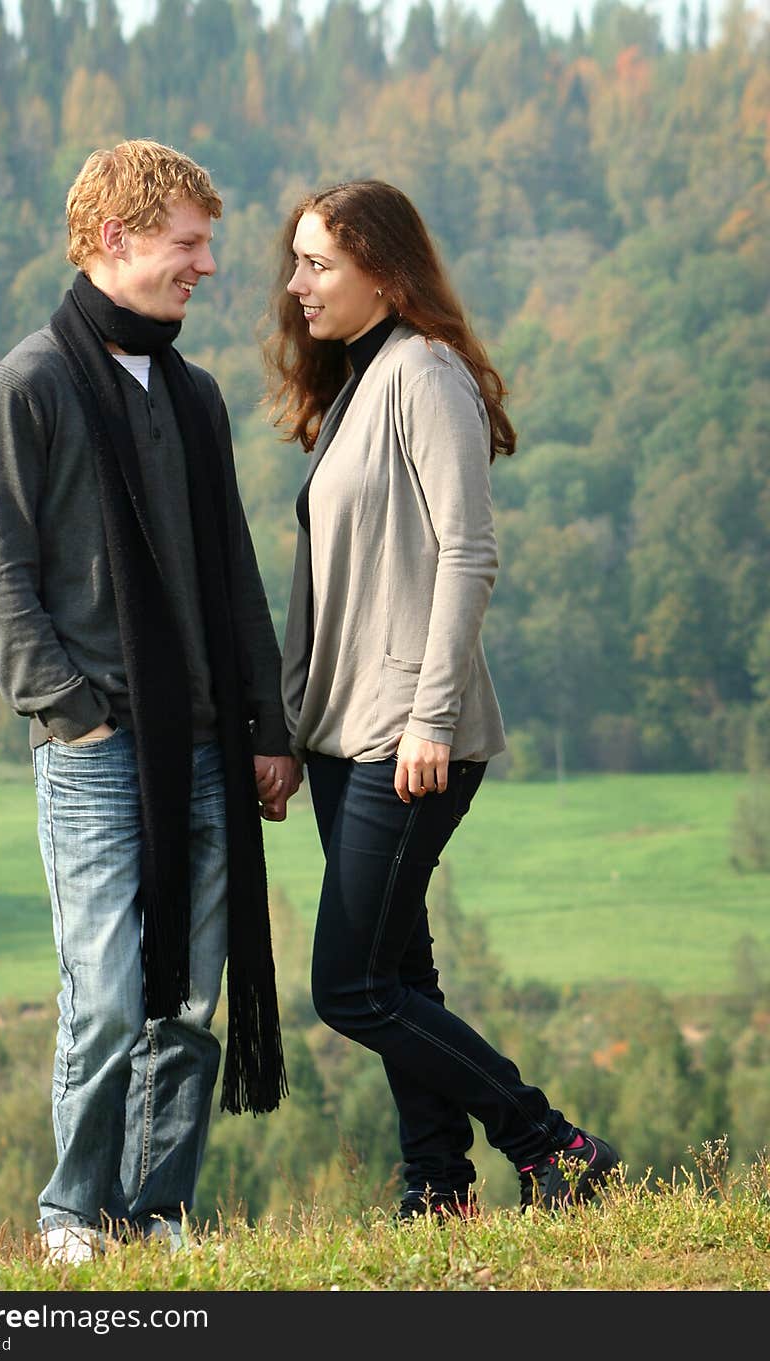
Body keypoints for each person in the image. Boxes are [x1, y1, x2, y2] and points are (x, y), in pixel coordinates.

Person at [0, 139, 300, 1262]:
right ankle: (71, 1215)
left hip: (205, 745)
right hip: (99, 748)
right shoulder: (31, 385)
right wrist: (72, 709)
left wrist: (266, 727)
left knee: (187, 1002)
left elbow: (233, 574)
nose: (206, 266)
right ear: (116, 239)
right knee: (105, 996)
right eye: (189, 244)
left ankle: (154, 1211)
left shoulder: (195, 396)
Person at [264, 179, 620, 1218]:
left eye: (318, 263)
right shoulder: (355, 382)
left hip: (407, 735)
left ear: (383, 265)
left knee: (351, 989)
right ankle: (437, 1185)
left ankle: (551, 1140)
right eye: (297, 261)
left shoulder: (424, 374)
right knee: (398, 976)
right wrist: (291, 728)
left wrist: (427, 714)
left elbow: (469, 551)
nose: (297, 284)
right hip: (344, 733)